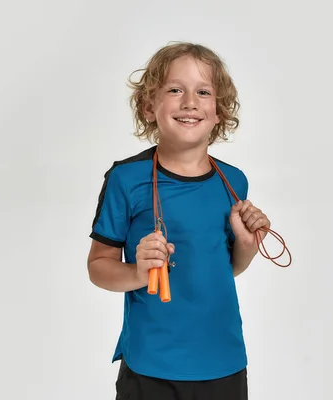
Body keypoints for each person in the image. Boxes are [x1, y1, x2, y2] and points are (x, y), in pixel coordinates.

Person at [87, 42, 271, 400]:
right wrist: (138, 273)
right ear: (149, 106)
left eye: (203, 92)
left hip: (224, 360)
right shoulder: (127, 179)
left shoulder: (234, 182)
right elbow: (98, 266)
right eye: (175, 89)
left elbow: (224, 269)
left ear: (219, 112)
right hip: (151, 366)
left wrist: (248, 246)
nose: (190, 102)